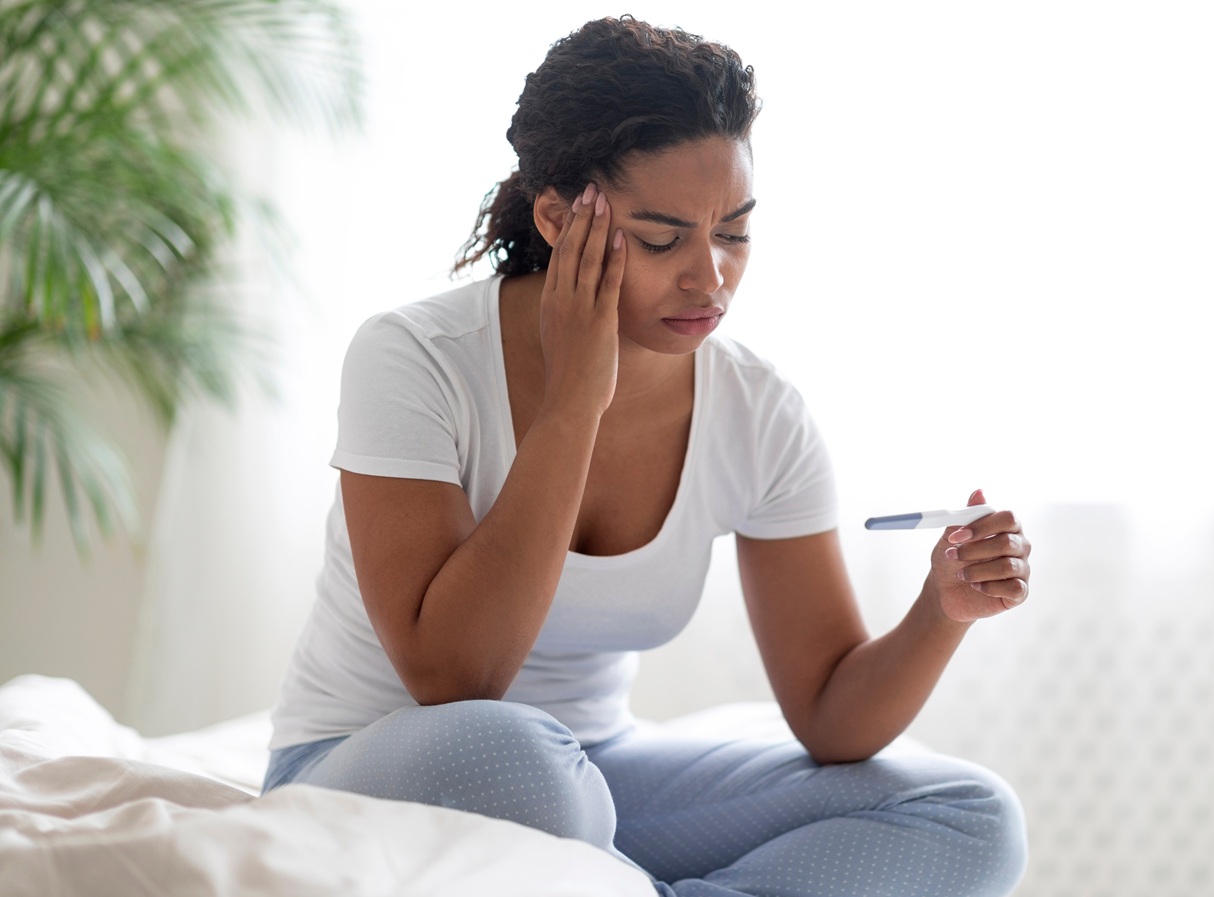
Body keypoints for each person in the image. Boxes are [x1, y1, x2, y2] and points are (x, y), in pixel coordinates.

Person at [264, 15, 1031, 897]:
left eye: (734, 232)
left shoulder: (756, 408)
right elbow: (455, 677)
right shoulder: (415, 357)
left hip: (592, 776)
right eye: (664, 238)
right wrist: (574, 405)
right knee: (519, 752)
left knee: (971, 813)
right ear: (558, 217)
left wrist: (941, 608)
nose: (709, 277)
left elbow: (829, 716)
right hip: (388, 762)